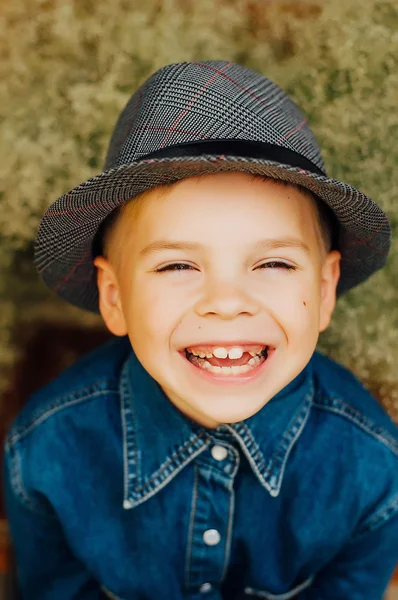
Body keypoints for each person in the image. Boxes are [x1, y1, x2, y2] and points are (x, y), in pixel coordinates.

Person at [3, 61, 398, 600]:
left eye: (274, 264)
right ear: (114, 297)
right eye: (177, 266)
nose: (227, 304)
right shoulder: (44, 450)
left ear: (325, 290)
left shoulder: (374, 467)